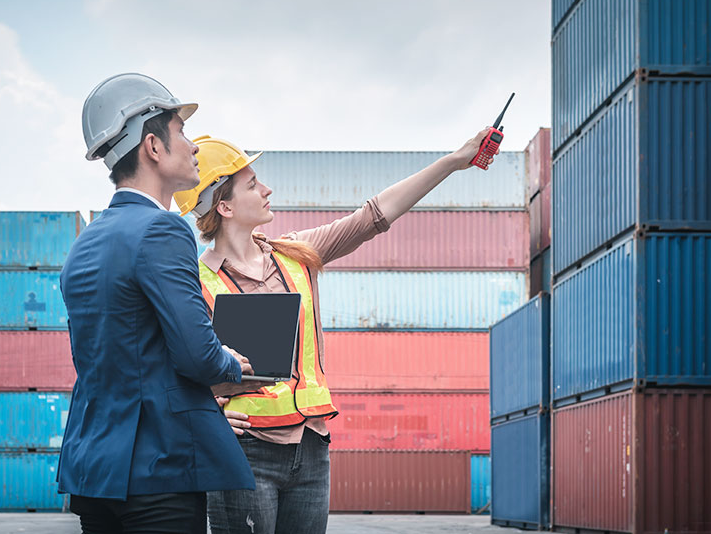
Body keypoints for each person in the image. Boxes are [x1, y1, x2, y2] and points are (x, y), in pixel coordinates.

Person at [172, 132, 498, 534]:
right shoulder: (193, 281)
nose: (267, 189)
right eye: (253, 184)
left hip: (311, 449)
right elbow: (178, 372)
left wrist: (453, 160)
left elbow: (372, 217)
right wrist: (212, 413)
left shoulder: (296, 254)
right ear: (224, 205)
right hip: (243, 452)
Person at [58, 73, 259, 534]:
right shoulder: (163, 230)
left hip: (93, 468)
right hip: (159, 468)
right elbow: (196, 355)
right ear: (153, 146)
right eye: (182, 133)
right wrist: (233, 364)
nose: (192, 146)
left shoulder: (84, 244)